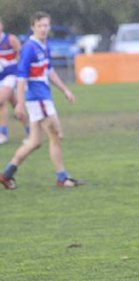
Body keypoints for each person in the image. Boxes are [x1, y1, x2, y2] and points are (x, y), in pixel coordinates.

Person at [0, 11, 82, 190]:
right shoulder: (29, 47)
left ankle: (6, 174)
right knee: (56, 136)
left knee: (34, 142)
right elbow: (21, 77)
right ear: (33, 27)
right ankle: (62, 178)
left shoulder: (44, 45)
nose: (44, 29)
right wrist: (20, 103)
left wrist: (65, 90)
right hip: (38, 99)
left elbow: (49, 70)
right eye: (40, 26)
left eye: (46, 25)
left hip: (43, 98)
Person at [0, 17, 24, 145]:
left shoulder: (10, 39)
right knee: (16, 104)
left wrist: (19, 71)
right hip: (1, 77)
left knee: (0, 101)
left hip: (11, 75)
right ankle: (30, 129)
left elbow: (21, 55)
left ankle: (3, 134)